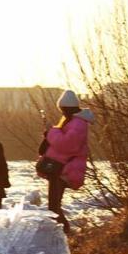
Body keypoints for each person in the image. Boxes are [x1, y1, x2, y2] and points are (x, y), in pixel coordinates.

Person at [42, 89, 95, 233]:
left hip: (65, 169)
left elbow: (67, 144)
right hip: (62, 168)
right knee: (54, 205)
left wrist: (51, 131)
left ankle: (64, 233)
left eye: (62, 109)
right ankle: (61, 234)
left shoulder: (78, 124)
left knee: (53, 206)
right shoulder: (73, 122)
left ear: (66, 108)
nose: (61, 112)